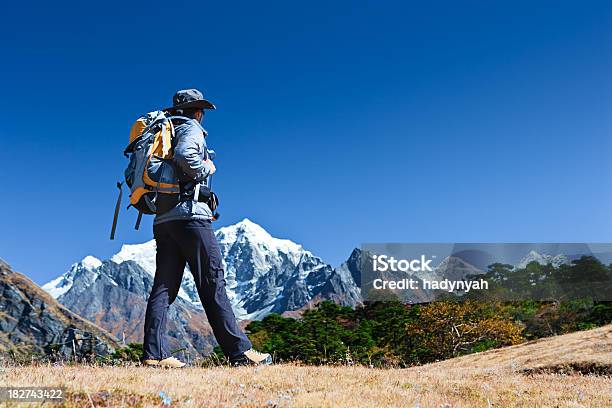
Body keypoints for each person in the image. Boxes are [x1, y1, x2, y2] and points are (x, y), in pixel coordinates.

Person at [142, 89, 272, 368]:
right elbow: (186, 156)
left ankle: (154, 356)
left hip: (163, 220)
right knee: (212, 281)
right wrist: (207, 168)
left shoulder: (163, 130)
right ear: (197, 110)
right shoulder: (191, 129)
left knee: (164, 288)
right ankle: (240, 352)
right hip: (191, 218)